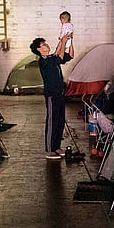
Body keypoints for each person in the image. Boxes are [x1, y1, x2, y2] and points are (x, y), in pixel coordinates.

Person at [30, 32, 74, 160]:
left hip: (60, 94)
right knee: (52, 121)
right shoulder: (43, 61)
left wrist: (69, 41)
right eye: (43, 44)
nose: (46, 44)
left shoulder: (51, 58)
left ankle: (56, 147)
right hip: (51, 96)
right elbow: (59, 56)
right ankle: (49, 150)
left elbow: (70, 55)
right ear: (39, 49)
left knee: (60, 121)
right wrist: (63, 41)